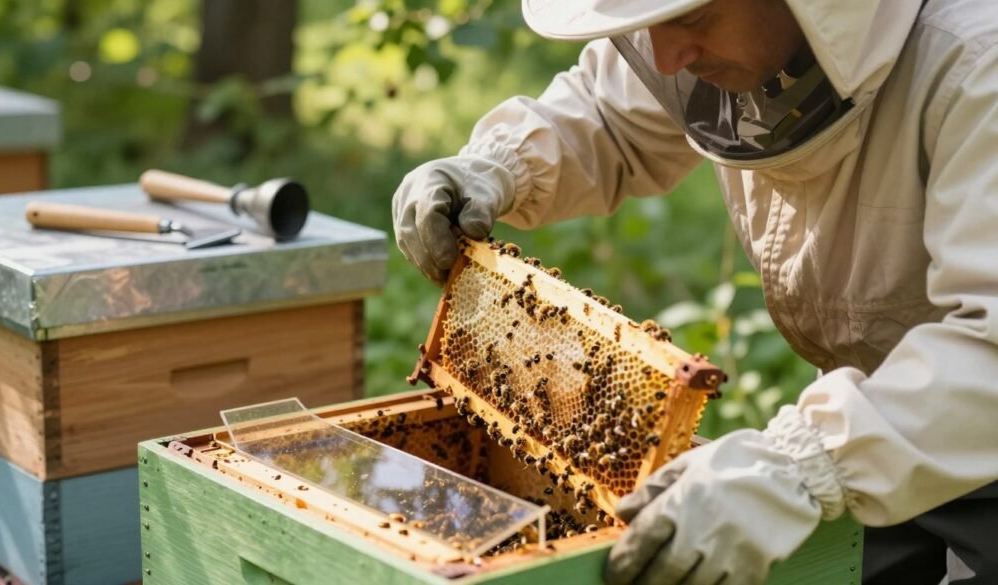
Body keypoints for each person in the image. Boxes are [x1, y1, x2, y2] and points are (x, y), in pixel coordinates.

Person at [391, 0, 998, 583]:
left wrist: (802, 466)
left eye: (690, 16)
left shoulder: (978, 59)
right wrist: (496, 165)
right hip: (868, 413)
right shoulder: (719, 47)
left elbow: (989, 350)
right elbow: (608, 115)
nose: (668, 56)